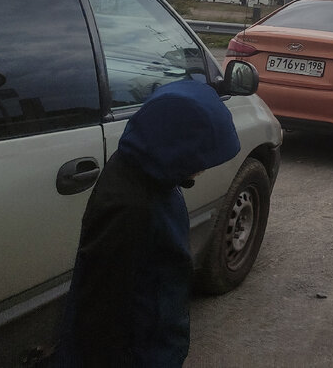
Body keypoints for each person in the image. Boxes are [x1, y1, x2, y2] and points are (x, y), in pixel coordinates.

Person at [54, 80, 241, 367]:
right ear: (177, 145)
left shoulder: (150, 172)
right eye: (201, 156)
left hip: (156, 333)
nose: (204, 167)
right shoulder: (131, 207)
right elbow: (100, 309)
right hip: (137, 351)